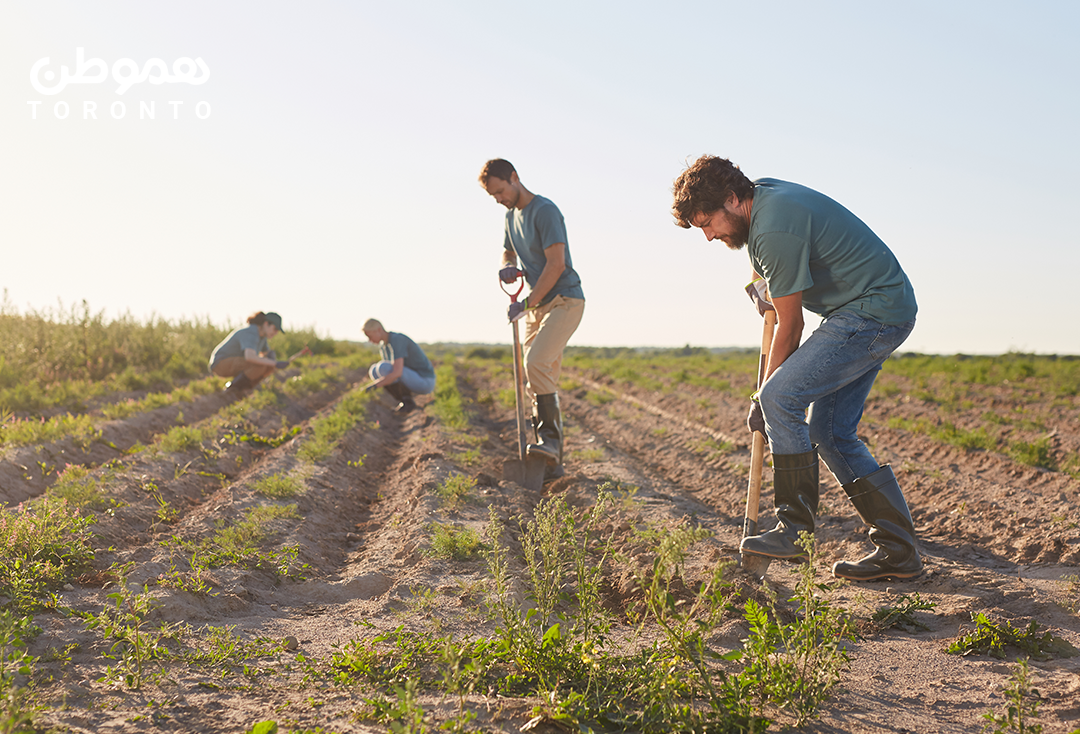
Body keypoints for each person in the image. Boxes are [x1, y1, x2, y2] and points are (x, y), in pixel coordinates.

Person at [671, 155, 922, 581]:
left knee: (780, 397)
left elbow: (791, 325)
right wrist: (758, 285)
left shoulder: (773, 229)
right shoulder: (763, 198)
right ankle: (899, 553)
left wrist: (765, 397)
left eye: (708, 223)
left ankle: (793, 529)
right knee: (829, 433)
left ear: (732, 199)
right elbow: (762, 260)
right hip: (875, 309)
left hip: (869, 315)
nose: (709, 236)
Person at [479, 158, 585, 479]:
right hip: (537, 307)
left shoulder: (545, 212)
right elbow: (507, 250)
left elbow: (556, 265)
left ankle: (549, 441)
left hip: (565, 300)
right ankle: (553, 460)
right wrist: (506, 264)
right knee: (539, 377)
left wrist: (525, 302)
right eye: (493, 196)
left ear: (514, 178)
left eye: (500, 191)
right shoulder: (511, 217)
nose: (499, 199)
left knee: (535, 362)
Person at [209, 311, 290, 396]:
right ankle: (233, 388)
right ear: (266, 324)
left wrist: (273, 360)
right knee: (261, 365)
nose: (276, 333)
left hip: (234, 362)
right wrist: (275, 363)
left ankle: (244, 389)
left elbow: (266, 355)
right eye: (275, 329)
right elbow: (250, 357)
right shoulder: (252, 333)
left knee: (268, 366)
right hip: (220, 363)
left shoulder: (262, 336)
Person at [362, 319, 435, 414]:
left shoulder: (396, 340)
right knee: (374, 370)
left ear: (379, 330)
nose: (369, 340)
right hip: (412, 378)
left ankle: (408, 402)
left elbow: (397, 372)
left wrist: (374, 386)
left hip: (425, 381)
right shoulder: (384, 345)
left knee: (383, 368)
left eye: (370, 336)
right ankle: (405, 400)